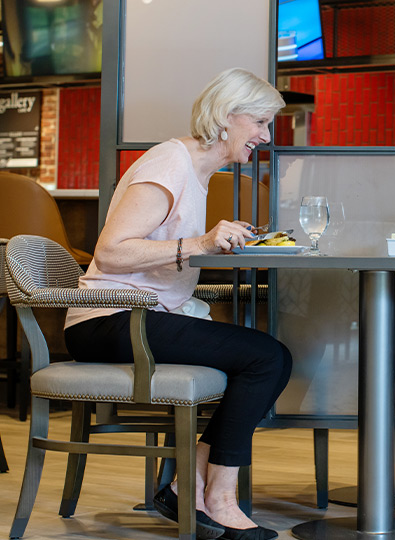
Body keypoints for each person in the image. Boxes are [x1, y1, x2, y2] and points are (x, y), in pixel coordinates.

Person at [64, 68, 291, 540]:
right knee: (267, 357)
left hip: (140, 315)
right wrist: (202, 244)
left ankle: (188, 486)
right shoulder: (170, 162)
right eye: (261, 123)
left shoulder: (198, 170)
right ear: (227, 116)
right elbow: (111, 252)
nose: (265, 138)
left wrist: (206, 244)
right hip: (110, 319)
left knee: (267, 357)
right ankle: (217, 497)